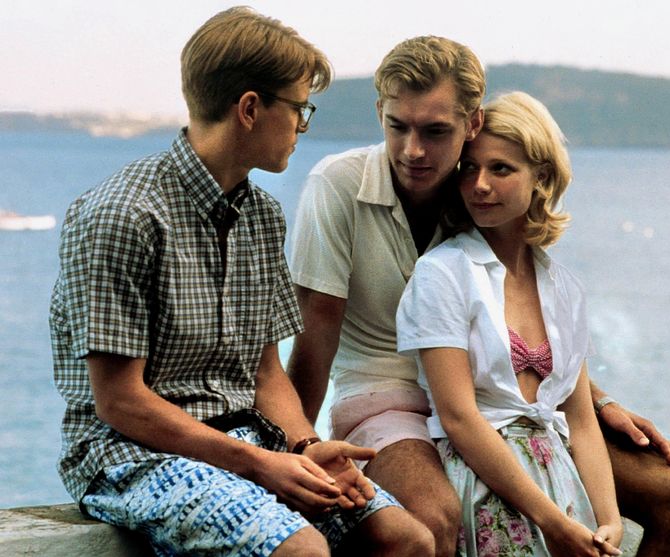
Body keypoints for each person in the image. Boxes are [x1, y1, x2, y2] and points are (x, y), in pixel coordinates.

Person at [288, 37, 670, 557]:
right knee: (433, 518)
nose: (413, 150)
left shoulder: (477, 187)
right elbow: (316, 334)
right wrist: (298, 452)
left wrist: (597, 400)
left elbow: (519, 318)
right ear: (379, 113)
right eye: (397, 126)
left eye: (436, 131)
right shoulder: (338, 184)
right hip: (388, 399)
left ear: (473, 123)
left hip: (492, 396)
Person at [50, 7, 433, 557]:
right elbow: (119, 403)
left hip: (242, 438)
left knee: (405, 539)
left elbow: (265, 371)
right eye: (299, 109)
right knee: (301, 549)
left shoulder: (262, 216)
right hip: (128, 455)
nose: (303, 126)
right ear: (251, 109)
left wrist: (305, 445)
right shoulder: (122, 215)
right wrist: (259, 464)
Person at [396, 91, 623, 556]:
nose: (479, 185)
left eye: (501, 169)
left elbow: (580, 421)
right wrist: (551, 521)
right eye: (469, 169)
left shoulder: (563, 288)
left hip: (562, 487)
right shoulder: (443, 273)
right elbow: (459, 418)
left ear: (542, 178)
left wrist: (609, 518)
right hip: (485, 487)